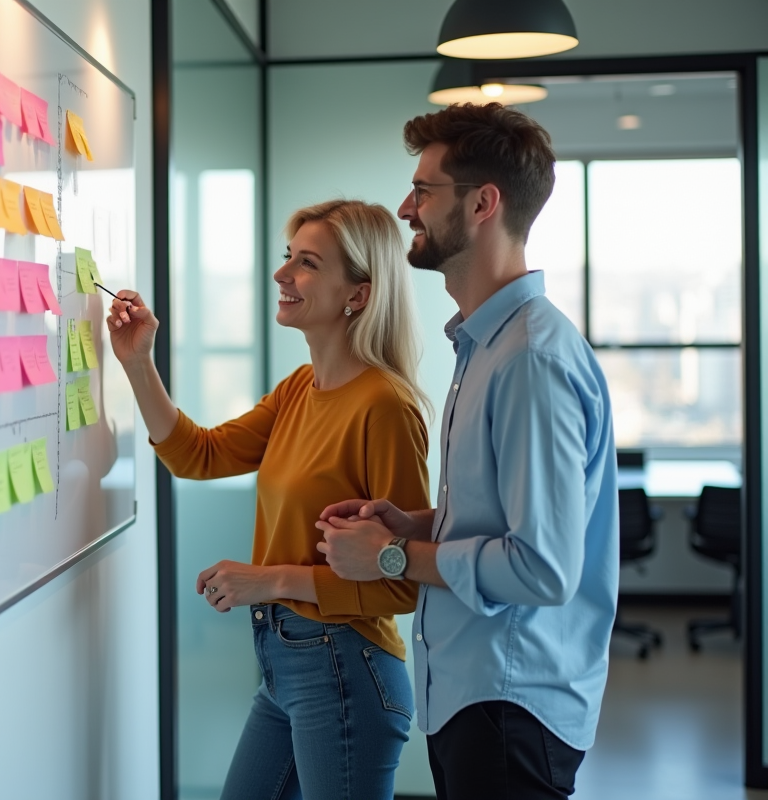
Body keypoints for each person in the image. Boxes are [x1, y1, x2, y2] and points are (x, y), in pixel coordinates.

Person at [316, 103, 618, 800]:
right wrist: (413, 523)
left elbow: (541, 569)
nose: (404, 206)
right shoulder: (488, 345)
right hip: (481, 694)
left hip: (510, 703)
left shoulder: (528, 360)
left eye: (424, 190)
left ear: (483, 203)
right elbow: (510, 518)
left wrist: (391, 559)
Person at [107, 200, 431, 799]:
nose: (283, 275)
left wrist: (271, 580)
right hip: (285, 663)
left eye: (307, 263)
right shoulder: (299, 389)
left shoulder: (385, 407)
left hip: (345, 667)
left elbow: (403, 582)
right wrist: (137, 363)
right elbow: (195, 455)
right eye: (289, 257)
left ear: (357, 293)